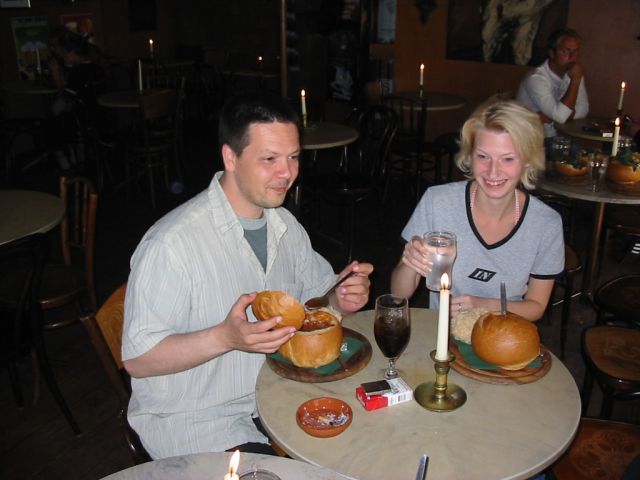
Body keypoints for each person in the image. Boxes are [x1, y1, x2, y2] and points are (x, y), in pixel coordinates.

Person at [121, 93, 374, 459]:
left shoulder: (284, 226)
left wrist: (342, 298)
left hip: (276, 396)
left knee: (363, 449)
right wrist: (225, 337)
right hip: (198, 422)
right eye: (270, 159)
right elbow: (138, 358)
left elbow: (318, 300)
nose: (286, 173)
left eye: (293, 157)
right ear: (230, 158)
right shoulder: (171, 244)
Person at [390, 100, 564, 322]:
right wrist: (409, 263)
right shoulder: (437, 201)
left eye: (508, 159)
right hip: (442, 334)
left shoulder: (546, 223)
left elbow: (536, 306)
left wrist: (483, 306)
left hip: (503, 332)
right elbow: (398, 295)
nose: (493, 172)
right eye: (483, 156)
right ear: (469, 156)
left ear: (528, 161)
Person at [516, 28, 589, 140]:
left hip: (555, 137)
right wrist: (575, 81)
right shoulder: (536, 78)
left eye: (575, 51)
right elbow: (561, 117)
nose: (572, 57)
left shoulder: (575, 74)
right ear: (552, 53)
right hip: (529, 139)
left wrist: (557, 116)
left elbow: (584, 109)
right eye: (565, 51)